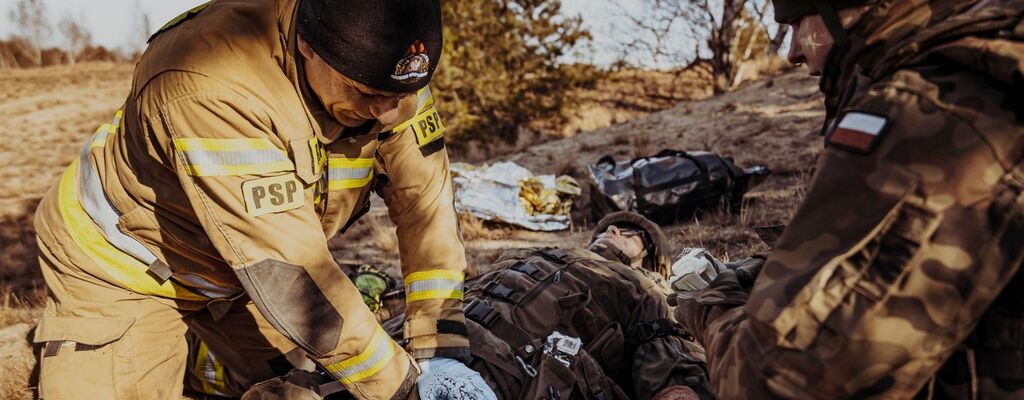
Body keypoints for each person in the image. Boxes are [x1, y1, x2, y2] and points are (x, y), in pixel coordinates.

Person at [30, 0, 495, 399]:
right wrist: (403, 389)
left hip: (242, 269)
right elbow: (292, 276)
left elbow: (426, 209)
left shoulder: (389, 72)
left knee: (309, 383)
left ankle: (198, 351)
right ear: (308, 46)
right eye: (365, 95)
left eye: (404, 94)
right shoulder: (211, 80)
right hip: (126, 267)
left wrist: (442, 353)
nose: (388, 113)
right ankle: (156, 342)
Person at [674, 0, 1024, 398]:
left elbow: (777, 383)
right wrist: (765, 274)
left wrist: (708, 307)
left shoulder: (932, 112)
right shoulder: (990, 70)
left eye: (796, 22)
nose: (792, 53)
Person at [233, 212, 713, 400]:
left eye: (632, 234)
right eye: (610, 226)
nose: (614, 232)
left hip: (508, 370)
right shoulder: (525, 251)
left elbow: (672, 373)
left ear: (651, 257)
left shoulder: (644, 290)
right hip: (421, 341)